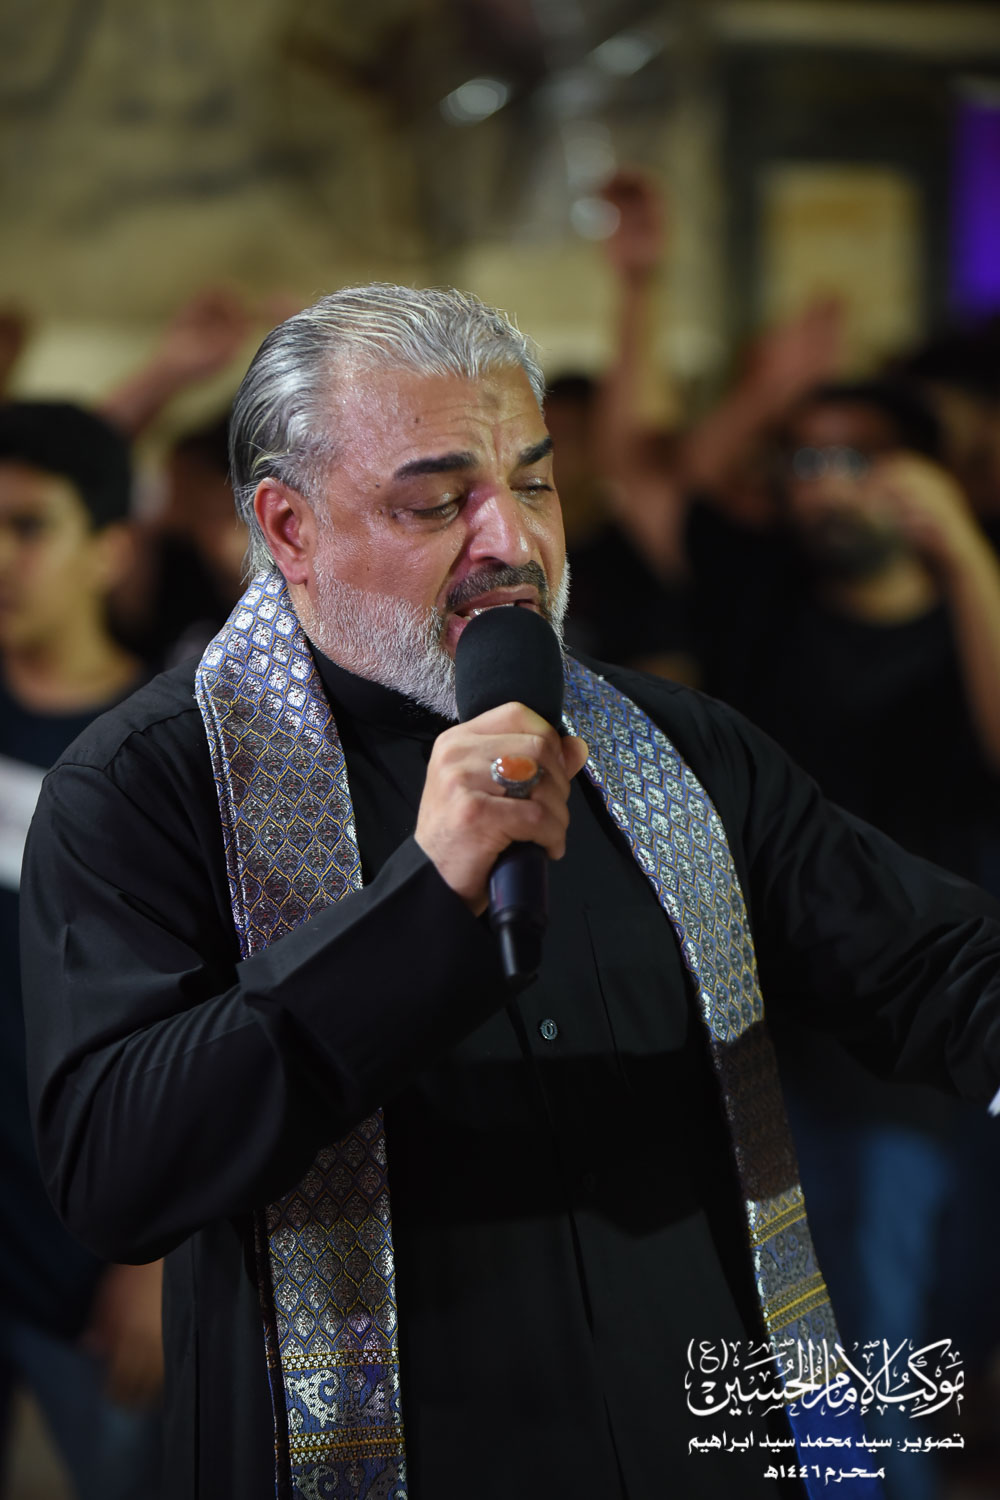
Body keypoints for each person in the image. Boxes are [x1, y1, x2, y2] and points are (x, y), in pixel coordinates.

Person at [18, 286, 1000, 1500]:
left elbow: (929, 963)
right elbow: (117, 1169)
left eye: (533, 483)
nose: (509, 542)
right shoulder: (150, 786)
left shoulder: (672, 748)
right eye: (436, 503)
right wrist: (421, 907)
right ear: (289, 526)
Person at [0, 402, 163, 1498]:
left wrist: (156, 1259)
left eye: (27, 528)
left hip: (88, 1258)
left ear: (109, 551)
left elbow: (205, 1020)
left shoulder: (162, 749)